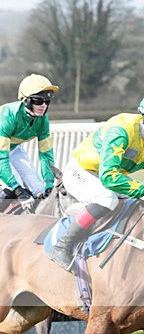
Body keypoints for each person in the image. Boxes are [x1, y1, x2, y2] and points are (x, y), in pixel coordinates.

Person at [48, 97, 144, 269]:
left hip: (108, 176)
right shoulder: (121, 129)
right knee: (107, 199)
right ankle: (62, 245)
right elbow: (109, 177)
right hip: (81, 171)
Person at [0, 74, 59, 212]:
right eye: (38, 101)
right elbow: (0, 159)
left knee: (39, 189)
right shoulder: (9, 117)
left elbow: (46, 155)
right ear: (26, 100)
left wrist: (49, 183)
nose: (43, 105)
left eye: (47, 100)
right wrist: (17, 188)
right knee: (12, 187)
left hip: (13, 148)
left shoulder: (43, 120)